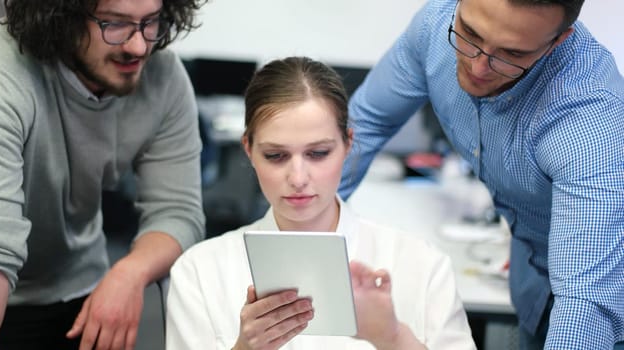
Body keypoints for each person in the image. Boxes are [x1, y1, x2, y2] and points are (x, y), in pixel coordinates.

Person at [337, 0, 624, 349]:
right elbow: (365, 125)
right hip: (533, 281)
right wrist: (302, 238)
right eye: (470, 33)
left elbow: (586, 302)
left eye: (510, 54)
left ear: (558, 41)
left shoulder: (589, 121)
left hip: (602, 300)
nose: (477, 65)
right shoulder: (435, 25)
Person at [165, 56, 476, 350]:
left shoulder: (422, 267)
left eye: (318, 153)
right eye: (276, 156)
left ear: (348, 144)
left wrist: (393, 339)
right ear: (248, 149)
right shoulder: (200, 272)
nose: (298, 177)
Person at [0, 0, 207, 348]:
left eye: (150, 22)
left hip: (79, 284)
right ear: (62, 17)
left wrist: (130, 273)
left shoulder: (163, 77)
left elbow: (178, 211)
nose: (138, 46)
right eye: (114, 24)